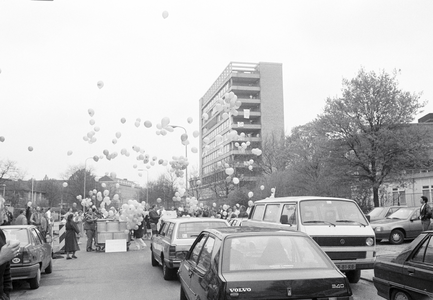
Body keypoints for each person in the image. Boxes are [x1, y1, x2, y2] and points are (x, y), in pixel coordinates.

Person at [0, 196, 20, 299]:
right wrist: (1, 257)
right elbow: (3, 259)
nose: (5, 212)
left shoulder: (1, 234)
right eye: (2, 209)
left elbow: (6, 269)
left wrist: (6, 293)